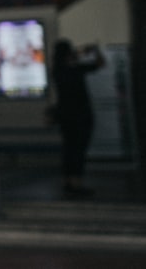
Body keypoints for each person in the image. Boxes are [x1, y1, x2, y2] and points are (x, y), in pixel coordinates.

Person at [52, 38, 106, 198]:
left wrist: (77, 53)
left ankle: (68, 181)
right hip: (80, 115)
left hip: (65, 116)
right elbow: (100, 63)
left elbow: (67, 61)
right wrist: (90, 51)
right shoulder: (74, 69)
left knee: (69, 149)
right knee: (78, 149)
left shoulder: (58, 70)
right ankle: (76, 182)